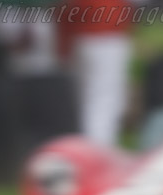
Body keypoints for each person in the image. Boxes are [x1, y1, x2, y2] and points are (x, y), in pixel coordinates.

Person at [56, 0, 136, 148]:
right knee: (103, 102)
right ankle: (96, 151)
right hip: (107, 33)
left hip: (80, 34)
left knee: (86, 100)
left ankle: (86, 149)